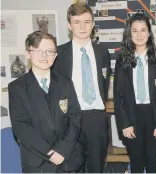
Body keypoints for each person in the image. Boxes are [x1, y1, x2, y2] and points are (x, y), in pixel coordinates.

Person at [8, 31, 82, 173]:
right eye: (38, 50)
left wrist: (62, 150)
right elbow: (21, 127)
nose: (44, 56)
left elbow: (75, 118)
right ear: (28, 53)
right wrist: (51, 153)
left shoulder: (65, 83)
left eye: (49, 51)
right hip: (37, 162)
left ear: (55, 55)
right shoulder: (17, 87)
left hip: (67, 159)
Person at [52, 3, 111, 172]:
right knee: (71, 168)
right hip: (69, 120)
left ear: (93, 24)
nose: (82, 27)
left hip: (97, 118)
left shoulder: (102, 52)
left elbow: (104, 84)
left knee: (96, 168)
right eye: (77, 22)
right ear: (69, 25)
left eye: (87, 22)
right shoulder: (58, 54)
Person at [113, 13, 156, 173]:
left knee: (153, 162)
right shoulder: (122, 60)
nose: (139, 35)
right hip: (132, 117)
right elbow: (118, 96)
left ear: (149, 33)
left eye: (143, 30)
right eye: (135, 31)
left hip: (154, 116)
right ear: (129, 33)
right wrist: (124, 124)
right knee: (136, 163)